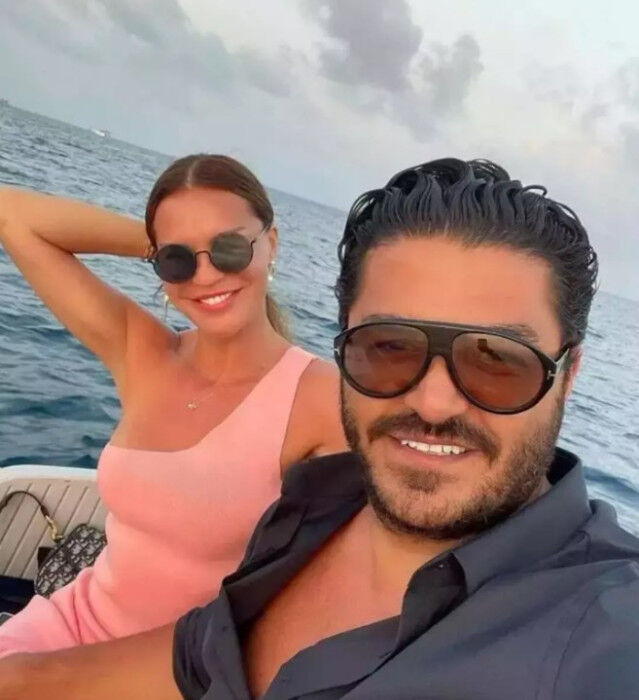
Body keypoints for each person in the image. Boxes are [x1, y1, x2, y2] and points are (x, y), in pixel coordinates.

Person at [2, 157, 639, 699]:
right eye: (390, 345)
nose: (435, 401)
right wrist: (176, 251)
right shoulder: (316, 488)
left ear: (569, 372)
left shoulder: (599, 629)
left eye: (497, 358)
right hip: (74, 631)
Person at [0, 154, 346, 655]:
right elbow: (12, 214)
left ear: (270, 243)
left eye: (229, 248)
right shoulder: (144, 353)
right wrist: (159, 246)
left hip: (181, 668)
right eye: (179, 261)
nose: (205, 276)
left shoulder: (322, 396)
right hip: (66, 625)